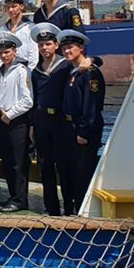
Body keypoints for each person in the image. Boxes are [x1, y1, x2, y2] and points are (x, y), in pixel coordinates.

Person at [29, 23, 74, 215]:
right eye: (41, 45)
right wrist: (32, 125)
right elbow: (35, 99)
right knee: (45, 166)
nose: (44, 48)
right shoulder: (36, 71)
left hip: (60, 123)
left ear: (56, 45)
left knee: (64, 166)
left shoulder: (65, 67)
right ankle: (51, 207)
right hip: (41, 123)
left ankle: (70, 207)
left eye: (48, 44)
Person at [59, 29, 104, 210]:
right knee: (71, 170)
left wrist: (84, 131)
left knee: (82, 173)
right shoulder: (74, 71)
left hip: (83, 130)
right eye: (64, 48)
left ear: (81, 48)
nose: (67, 51)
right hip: (70, 128)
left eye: (70, 47)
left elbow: (92, 104)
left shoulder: (90, 73)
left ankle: (82, 211)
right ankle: (72, 209)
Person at [0, 32, 33, 213]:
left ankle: (20, 199)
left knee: (18, 162)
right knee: (7, 161)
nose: (3, 55)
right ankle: (13, 195)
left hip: (17, 121)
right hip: (3, 120)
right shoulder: (0, 71)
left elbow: (28, 100)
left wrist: (10, 114)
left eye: (7, 52)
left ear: (15, 51)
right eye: (1, 52)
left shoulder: (22, 71)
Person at [0, 0, 38, 69]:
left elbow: (34, 56)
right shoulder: (3, 29)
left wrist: (29, 73)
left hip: (25, 69)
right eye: (8, 7)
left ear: (21, 6)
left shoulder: (30, 28)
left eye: (14, 6)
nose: (10, 10)